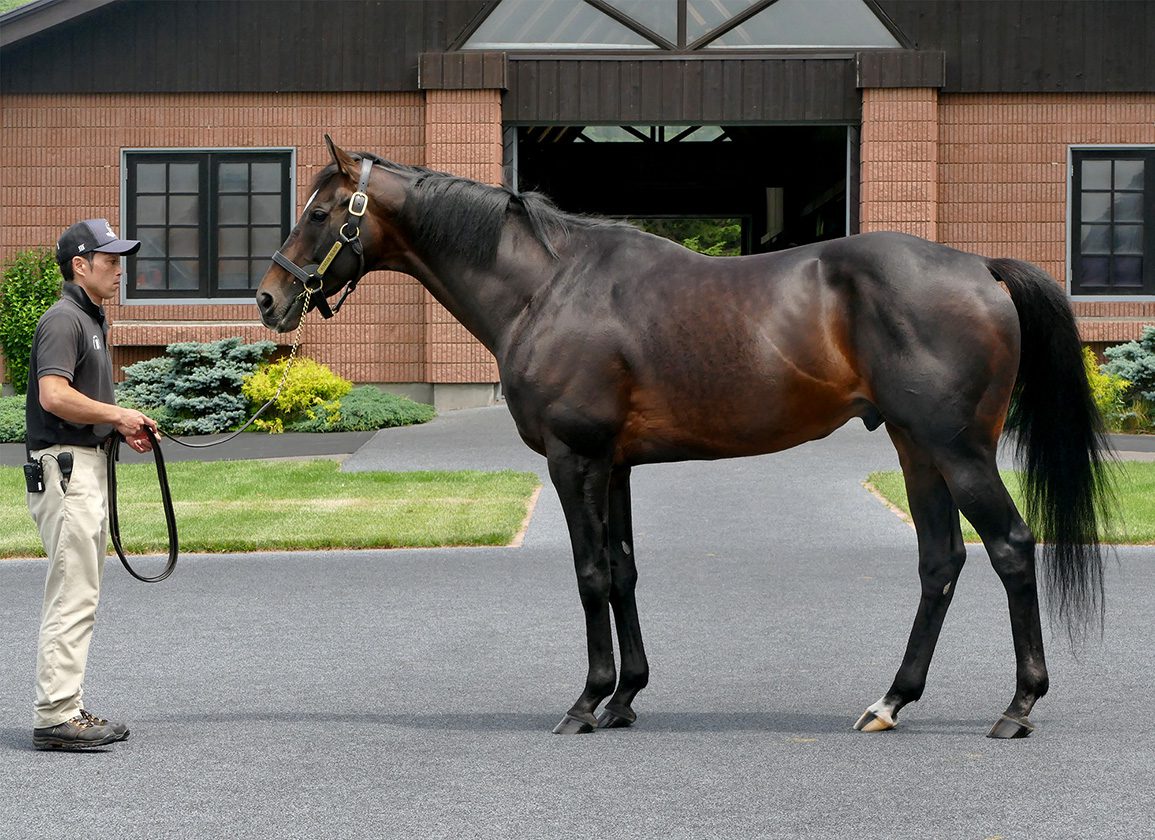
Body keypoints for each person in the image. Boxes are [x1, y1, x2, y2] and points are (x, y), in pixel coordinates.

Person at [25, 218, 158, 750]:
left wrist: (117, 426)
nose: (119, 271)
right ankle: (56, 715)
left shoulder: (88, 320)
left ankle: (66, 705)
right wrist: (118, 414)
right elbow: (54, 396)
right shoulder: (63, 320)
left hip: (80, 465)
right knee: (72, 591)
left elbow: (79, 405)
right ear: (80, 266)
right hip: (66, 470)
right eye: (110, 261)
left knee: (81, 589)